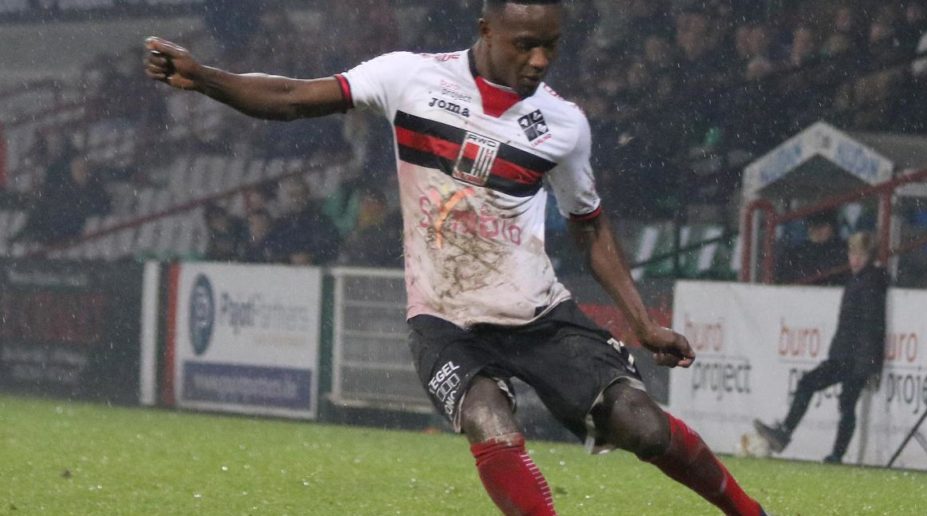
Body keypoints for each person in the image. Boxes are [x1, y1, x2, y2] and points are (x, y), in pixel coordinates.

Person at [143, 1, 766, 515]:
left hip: (538, 313)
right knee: (489, 421)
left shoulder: (563, 124)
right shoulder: (408, 77)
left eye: (551, 46)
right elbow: (291, 97)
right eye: (525, 45)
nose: (539, 60)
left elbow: (590, 225)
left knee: (643, 427)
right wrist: (206, 77)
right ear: (486, 29)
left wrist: (643, 323)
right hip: (444, 319)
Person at [754, 232, 889, 464]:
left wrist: (866, 363)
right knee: (846, 404)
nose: (855, 259)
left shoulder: (868, 284)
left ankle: (787, 432)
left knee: (812, 385)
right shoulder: (863, 281)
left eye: (861, 254)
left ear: (869, 256)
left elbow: (871, 326)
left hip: (851, 356)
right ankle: (835, 454)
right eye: (852, 253)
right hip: (851, 354)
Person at [262, 177, 341, 265]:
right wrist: (288, 258)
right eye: (292, 195)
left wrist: (311, 256)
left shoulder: (321, 221)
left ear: (307, 195)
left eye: (300, 194)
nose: (296, 199)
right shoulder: (280, 224)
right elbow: (270, 249)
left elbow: (332, 248)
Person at [775, 210, 849, 286]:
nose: (817, 231)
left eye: (822, 226)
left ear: (832, 228)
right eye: (813, 226)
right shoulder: (795, 254)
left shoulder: (841, 251)